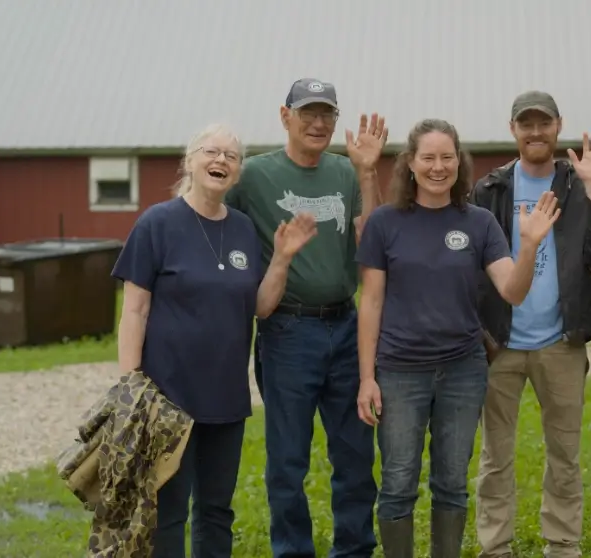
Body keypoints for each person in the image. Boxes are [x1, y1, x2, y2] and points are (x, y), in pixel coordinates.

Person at [354, 119, 561, 558]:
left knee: (451, 483)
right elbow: (370, 302)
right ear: (410, 163)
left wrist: (528, 248)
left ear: (459, 162)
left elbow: (512, 291)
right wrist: (366, 378)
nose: (437, 167)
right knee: (397, 482)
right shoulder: (385, 224)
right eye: (427, 157)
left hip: (463, 372)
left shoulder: (480, 223)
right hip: (398, 372)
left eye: (447, 157)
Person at [111, 123, 319, 558]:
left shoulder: (243, 229)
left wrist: (281, 259)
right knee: (168, 511)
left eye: (231, 156)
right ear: (190, 161)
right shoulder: (157, 223)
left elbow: (260, 306)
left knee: (216, 511)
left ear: (238, 173)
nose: (220, 160)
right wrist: (130, 385)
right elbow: (135, 309)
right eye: (211, 151)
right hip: (167, 398)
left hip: (225, 398)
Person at [224, 78, 387, 558]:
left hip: (346, 325)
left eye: (327, 115)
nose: (318, 123)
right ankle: (293, 550)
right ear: (285, 116)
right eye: (307, 113)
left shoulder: (346, 172)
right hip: (288, 332)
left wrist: (368, 174)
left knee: (356, 457)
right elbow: (213, 217)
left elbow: (372, 242)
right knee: (287, 461)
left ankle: (354, 549)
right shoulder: (253, 176)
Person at [469, 90, 591, 558]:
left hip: (562, 340)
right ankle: (496, 546)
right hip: (501, 341)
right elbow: (472, 266)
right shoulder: (489, 189)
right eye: (526, 123)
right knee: (496, 455)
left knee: (565, 453)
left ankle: (562, 543)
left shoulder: (578, 183)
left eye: (544, 123)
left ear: (558, 125)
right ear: (513, 129)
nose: (535, 131)